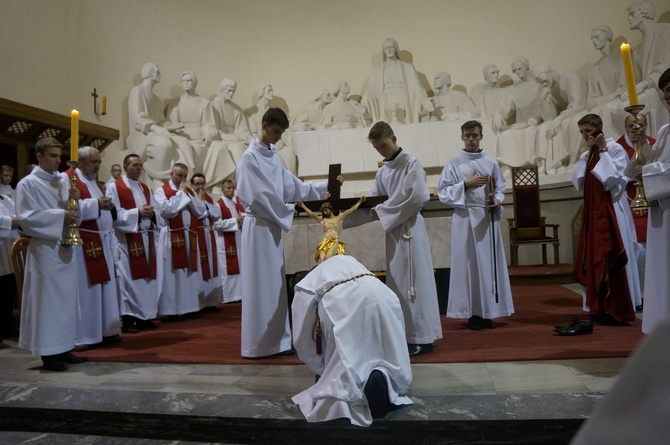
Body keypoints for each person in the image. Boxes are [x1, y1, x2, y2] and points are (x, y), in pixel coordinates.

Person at [235, 107, 330, 358]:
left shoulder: (273, 158)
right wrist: (288, 209)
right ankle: (259, 344)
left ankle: (277, 341)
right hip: (258, 228)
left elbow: (293, 186)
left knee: (274, 286)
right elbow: (257, 196)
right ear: (264, 125)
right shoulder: (250, 158)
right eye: (276, 131)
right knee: (260, 286)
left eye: (281, 133)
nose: (278, 137)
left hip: (272, 227)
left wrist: (326, 188)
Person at [291, 255, 413, 427]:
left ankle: (357, 390)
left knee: (344, 360)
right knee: (386, 348)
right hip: (383, 294)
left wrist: (319, 368)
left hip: (343, 301)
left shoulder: (303, 285)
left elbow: (303, 334)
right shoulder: (343, 261)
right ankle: (384, 376)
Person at [365, 121, 442, 357]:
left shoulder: (411, 163)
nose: (382, 151)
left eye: (385, 146)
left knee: (416, 284)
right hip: (395, 234)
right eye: (378, 148)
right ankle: (405, 336)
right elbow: (374, 200)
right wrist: (351, 211)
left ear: (394, 139)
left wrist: (384, 211)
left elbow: (418, 196)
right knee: (398, 284)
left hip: (410, 230)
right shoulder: (383, 171)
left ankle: (422, 337)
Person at [15, 137, 87, 371]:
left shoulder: (63, 181)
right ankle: (49, 354)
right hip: (45, 249)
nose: (58, 161)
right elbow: (26, 219)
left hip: (65, 246)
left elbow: (73, 213)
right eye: (53, 156)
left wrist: (75, 202)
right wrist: (60, 215)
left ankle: (64, 347)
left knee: (66, 300)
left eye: (59, 156)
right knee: (48, 302)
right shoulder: (28, 183)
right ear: (39, 156)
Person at [437, 120, 514, 330]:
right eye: (468, 135)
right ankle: (471, 313)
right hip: (464, 219)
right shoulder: (454, 164)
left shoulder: (490, 163)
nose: (472, 139)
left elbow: (500, 188)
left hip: (486, 219)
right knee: (468, 267)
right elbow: (442, 193)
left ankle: (488, 313)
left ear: (481, 137)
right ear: (462, 136)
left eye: (476, 135)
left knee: (488, 267)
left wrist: (497, 201)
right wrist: (464, 184)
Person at [567, 113, 636, 332]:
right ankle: (598, 305)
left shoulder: (614, 149)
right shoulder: (589, 153)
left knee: (612, 255)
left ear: (599, 128)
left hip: (613, 208)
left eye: (588, 131)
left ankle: (618, 305)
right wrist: (587, 155)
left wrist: (603, 149)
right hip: (594, 211)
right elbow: (578, 182)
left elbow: (612, 179)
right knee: (595, 256)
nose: (585, 136)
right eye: (582, 132)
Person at [66, 146, 121, 348]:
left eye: (98, 162)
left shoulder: (94, 182)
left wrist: (107, 205)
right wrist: (97, 204)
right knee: (88, 289)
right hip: (84, 242)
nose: (97, 166)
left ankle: (106, 329)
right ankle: (87, 334)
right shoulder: (69, 179)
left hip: (103, 241)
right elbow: (71, 210)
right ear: (79, 162)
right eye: (93, 162)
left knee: (105, 288)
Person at [106, 154, 161, 334]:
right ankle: (129, 318)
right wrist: (137, 213)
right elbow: (113, 214)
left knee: (147, 280)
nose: (138, 168)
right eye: (134, 165)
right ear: (125, 167)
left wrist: (152, 214)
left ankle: (144, 317)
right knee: (128, 280)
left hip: (146, 237)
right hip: (127, 240)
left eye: (140, 165)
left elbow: (158, 210)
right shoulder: (114, 187)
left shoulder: (145, 188)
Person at [638, 67, 670, 335]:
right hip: (662, 210)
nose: (667, 95)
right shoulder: (664, 130)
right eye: (666, 90)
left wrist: (647, 174)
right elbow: (656, 163)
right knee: (662, 272)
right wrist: (642, 145)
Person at [154, 163, 207, 319]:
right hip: (171, 236)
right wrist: (181, 196)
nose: (182, 179)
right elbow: (166, 211)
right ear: (172, 174)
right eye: (179, 175)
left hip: (189, 236)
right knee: (173, 275)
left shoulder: (188, 191)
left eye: (185, 176)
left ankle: (188, 307)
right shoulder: (161, 191)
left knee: (188, 274)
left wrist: (189, 197)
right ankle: (171, 310)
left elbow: (200, 211)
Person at [127, 62, 192, 188]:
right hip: (141, 134)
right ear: (149, 74)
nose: (159, 75)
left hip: (154, 132)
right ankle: (159, 178)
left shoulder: (156, 99)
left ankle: (183, 180)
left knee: (182, 141)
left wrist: (170, 126)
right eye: (157, 72)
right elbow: (138, 117)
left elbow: (160, 120)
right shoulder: (138, 91)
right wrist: (156, 128)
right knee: (163, 144)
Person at [166, 71, 234, 190]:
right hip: (182, 136)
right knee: (185, 147)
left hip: (200, 137)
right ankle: (187, 183)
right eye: (184, 81)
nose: (186, 83)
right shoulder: (175, 103)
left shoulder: (204, 102)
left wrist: (208, 133)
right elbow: (172, 125)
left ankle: (213, 183)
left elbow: (209, 124)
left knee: (220, 148)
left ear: (195, 83)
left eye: (189, 80)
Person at [617, 113, 655, 305]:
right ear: (625, 127)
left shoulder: (654, 143)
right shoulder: (617, 147)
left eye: (639, 124)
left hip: (654, 201)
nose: (635, 128)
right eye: (631, 125)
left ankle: (655, 292)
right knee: (636, 249)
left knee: (654, 249)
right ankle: (639, 294)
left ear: (646, 125)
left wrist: (648, 169)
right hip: (629, 201)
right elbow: (617, 176)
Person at [362, 38, 428, 124]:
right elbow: (371, 93)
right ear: (384, 51)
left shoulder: (408, 67)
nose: (389, 50)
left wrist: (423, 100)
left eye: (391, 47)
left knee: (404, 124)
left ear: (396, 49)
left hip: (403, 98)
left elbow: (417, 89)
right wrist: (364, 103)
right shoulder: (376, 71)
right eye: (386, 48)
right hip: (386, 99)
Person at [190, 172, 222, 311]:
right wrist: (203, 205)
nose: (200, 186)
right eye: (197, 184)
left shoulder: (208, 197)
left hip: (208, 234)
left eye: (202, 183)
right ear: (192, 185)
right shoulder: (189, 196)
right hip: (197, 235)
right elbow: (198, 213)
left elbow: (217, 214)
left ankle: (210, 301)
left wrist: (205, 205)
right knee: (200, 269)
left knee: (211, 266)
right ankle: (200, 302)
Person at [299, 196, 365, 263]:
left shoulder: (339, 218)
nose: (325, 212)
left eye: (326, 210)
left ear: (330, 209)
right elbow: (312, 214)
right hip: (325, 241)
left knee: (328, 257)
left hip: (334, 241)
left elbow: (351, 209)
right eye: (323, 211)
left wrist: (360, 202)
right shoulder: (323, 220)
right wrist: (303, 206)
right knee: (322, 259)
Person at [210, 78, 253, 165]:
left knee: (249, 149)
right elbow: (211, 127)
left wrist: (247, 137)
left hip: (235, 139)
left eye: (233, 91)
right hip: (221, 139)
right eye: (229, 90)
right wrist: (225, 136)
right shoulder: (213, 105)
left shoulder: (236, 108)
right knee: (237, 148)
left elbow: (241, 129)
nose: (231, 93)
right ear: (222, 90)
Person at [214, 179, 244, 304]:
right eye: (228, 188)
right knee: (228, 269)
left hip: (237, 239)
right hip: (225, 242)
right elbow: (216, 224)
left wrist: (241, 220)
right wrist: (234, 220)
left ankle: (238, 295)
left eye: (232, 188)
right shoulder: (218, 205)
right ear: (223, 189)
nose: (231, 190)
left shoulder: (234, 204)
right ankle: (228, 296)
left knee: (239, 268)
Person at [586, 25, 625, 110]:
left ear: (607, 36)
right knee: (576, 119)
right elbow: (591, 98)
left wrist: (605, 99)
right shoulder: (595, 69)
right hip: (603, 105)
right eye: (592, 38)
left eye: (596, 37)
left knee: (607, 109)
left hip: (620, 101)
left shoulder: (622, 55)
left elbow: (625, 87)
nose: (593, 41)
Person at [0, 164, 19, 338]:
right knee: (3, 289)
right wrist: (10, 220)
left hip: (14, 241)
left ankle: (10, 325)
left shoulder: (14, 193)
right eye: (4, 174)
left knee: (12, 286)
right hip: (2, 244)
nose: (7, 177)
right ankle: (5, 326)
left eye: (9, 174)